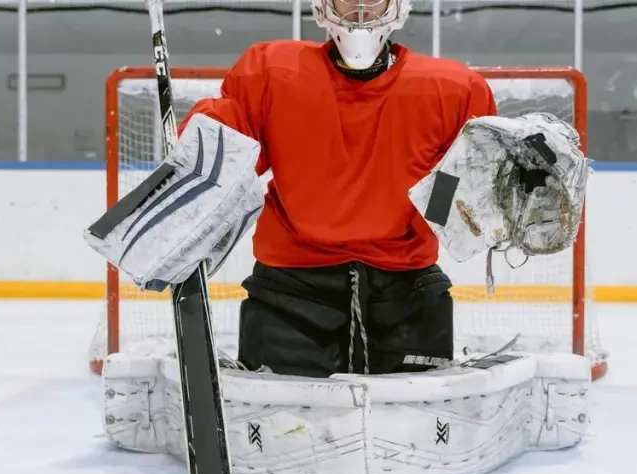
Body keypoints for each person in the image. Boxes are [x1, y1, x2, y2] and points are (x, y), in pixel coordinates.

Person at [178, 0, 498, 378]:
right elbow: (229, 147)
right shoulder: (271, 73)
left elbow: (466, 187)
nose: (360, 10)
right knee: (287, 423)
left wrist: (515, 181)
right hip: (289, 291)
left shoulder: (453, 90)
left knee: (410, 423)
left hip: (407, 292)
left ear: (398, 7)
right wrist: (194, 142)